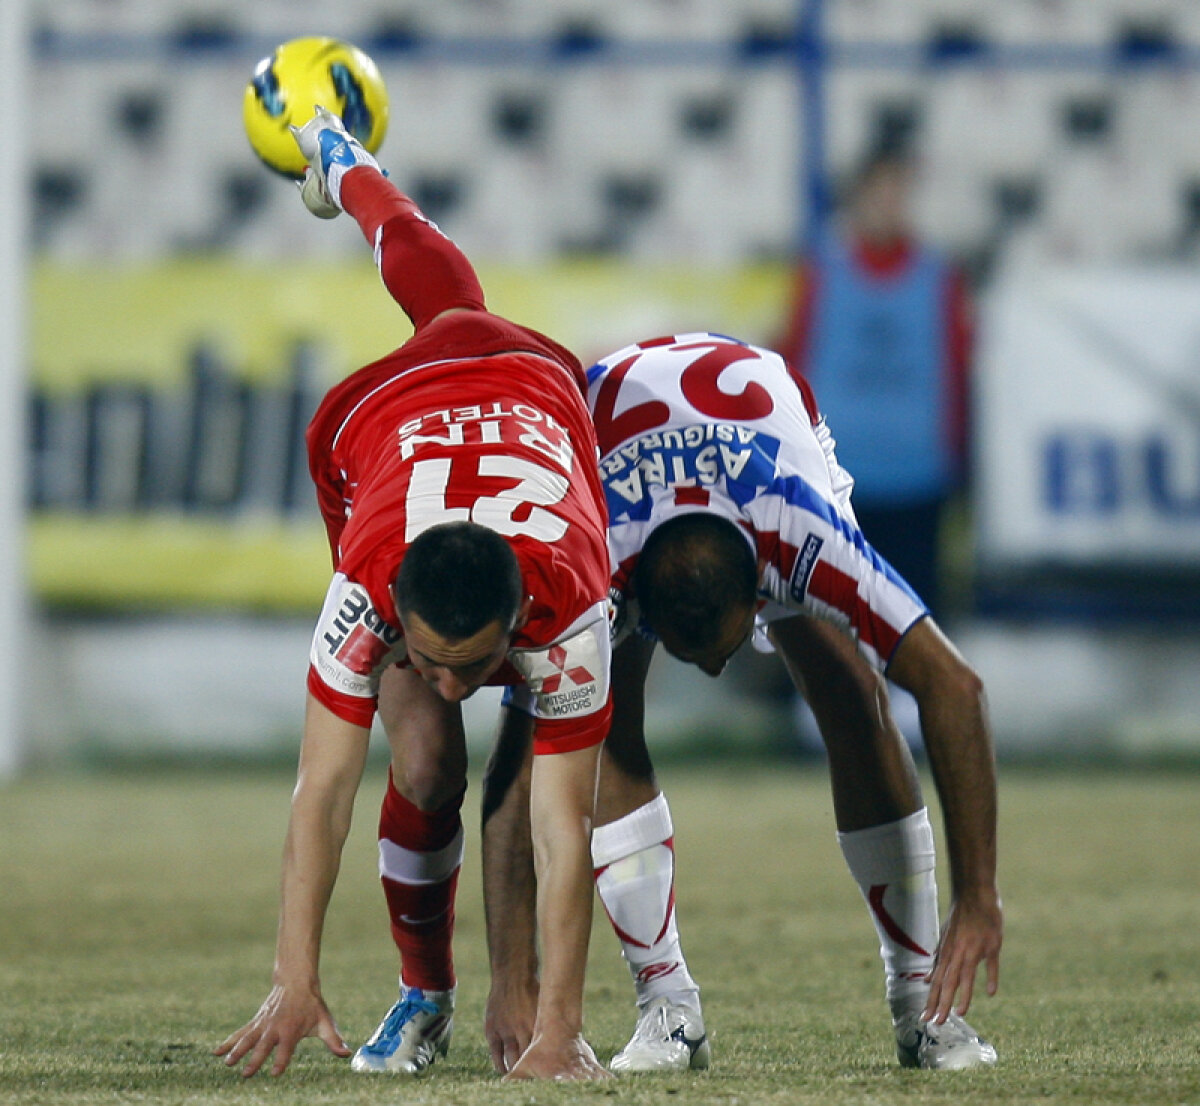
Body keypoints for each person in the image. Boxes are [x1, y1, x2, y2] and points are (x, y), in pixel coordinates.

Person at [214, 108, 613, 1082]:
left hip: (536, 387)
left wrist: (562, 1026)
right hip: (375, 423)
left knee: (447, 294)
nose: (451, 685)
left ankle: (345, 162)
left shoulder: (575, 602)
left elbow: (565, 829)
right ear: (395, 610)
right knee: (428, 758)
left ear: (519, 624)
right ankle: (424, 992)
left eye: (474, 667)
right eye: (429, 660)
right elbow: (322, 791)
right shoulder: (365, 587)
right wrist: (293, 976)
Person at [481, 332, 1001, 1073]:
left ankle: (922, 1001)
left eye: (720, 649)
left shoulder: (795, 526)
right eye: (690, 653)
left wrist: (978, 897)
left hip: (764, 432)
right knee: (600, 709)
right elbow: (515, 763)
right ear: (638, 604)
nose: (714, 671)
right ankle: (666, 1004)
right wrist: (511, 979)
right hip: (605, 456)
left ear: (765, 587)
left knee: (851, 693)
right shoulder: (589, 557)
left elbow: (955, 686)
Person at [775, 150, 973, 617]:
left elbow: (957, 373)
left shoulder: (939, 279)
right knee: (832, 616)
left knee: (915, 616)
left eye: (898, 193)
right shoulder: (822, 274)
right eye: (878, 194)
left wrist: (959, 459)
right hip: (837, 481)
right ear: (858, 200)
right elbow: (793, 361)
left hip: (918, 480)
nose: (888, 205)